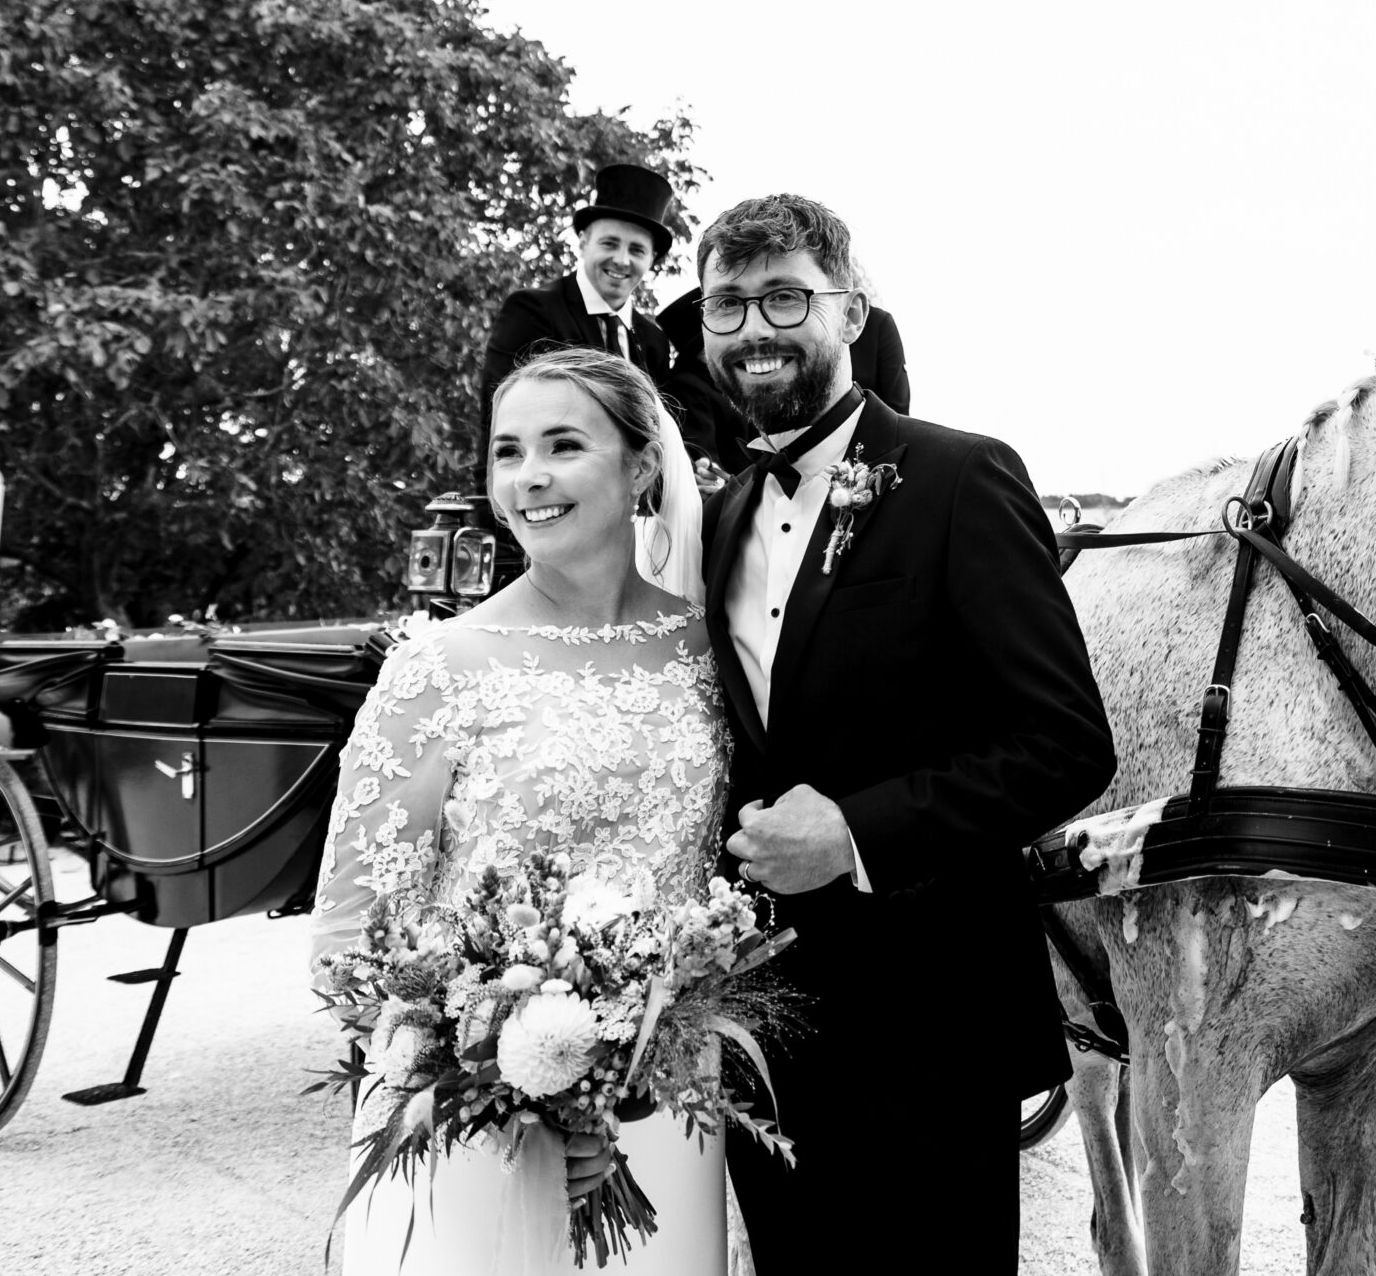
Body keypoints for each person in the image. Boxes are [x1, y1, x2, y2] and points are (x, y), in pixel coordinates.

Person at [694, 193, 1113, 1271]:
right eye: (727, 304)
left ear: (851, 310)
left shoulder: (960, 477)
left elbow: (1066, 740)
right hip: (764, 1024)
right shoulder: (722, 513)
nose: (754, 329)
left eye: (784, 296)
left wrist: (856, 834)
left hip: (932, 1020)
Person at [313, 348, 728, 1274]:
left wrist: (616, 1081)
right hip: (476, 1124)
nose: (527, 476)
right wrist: (509, 1085)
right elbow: (349, 934)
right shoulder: (440, 665)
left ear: (641, 465)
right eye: (507, 451)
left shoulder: (714, 654)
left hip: (670, 1103)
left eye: (563, 444)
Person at [478, 163, 724, 469]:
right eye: (609, 243)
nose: (621, 260)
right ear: (583, 242)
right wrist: (493, 513)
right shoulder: (534, 311)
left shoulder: (653, 340)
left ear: (651, 259)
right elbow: (499, 417)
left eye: (636, 250)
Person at [656, 279, 911, 477]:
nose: (749, 332)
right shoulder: (695, 387)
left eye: (784, 297)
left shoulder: (878, 328)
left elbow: (896, 409)